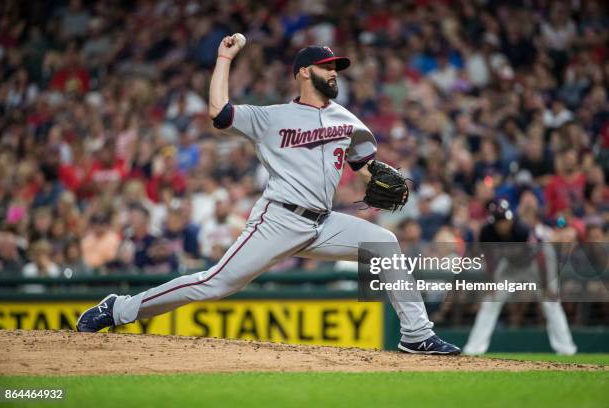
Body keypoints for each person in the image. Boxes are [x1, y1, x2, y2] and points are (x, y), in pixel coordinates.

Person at [77, 36, 460, 355]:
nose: (334, 73)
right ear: (304, 73)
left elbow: (365, 164)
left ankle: (416, 335)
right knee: (214, 284)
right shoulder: (271, 117)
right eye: (327, 67)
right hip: (278, 219)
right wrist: (224, 59)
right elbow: (219, 113)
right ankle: (119, 308)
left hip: (322, 222)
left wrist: (381, 174)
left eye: (336, 67)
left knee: (384, 243)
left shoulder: (347, 119)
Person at [463, 199, 577, 355]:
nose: (504, 223)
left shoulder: (521, 229)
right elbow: (488, 258)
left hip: (537, 264)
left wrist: (545, 285)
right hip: (510, 266)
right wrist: (491, 282)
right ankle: (473, 349)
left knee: (551, 303)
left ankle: (566, 349)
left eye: (506, 219)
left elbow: (540, 256)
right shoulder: (487, 232)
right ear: (494, 221)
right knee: (490, 301)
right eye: (500, 220)